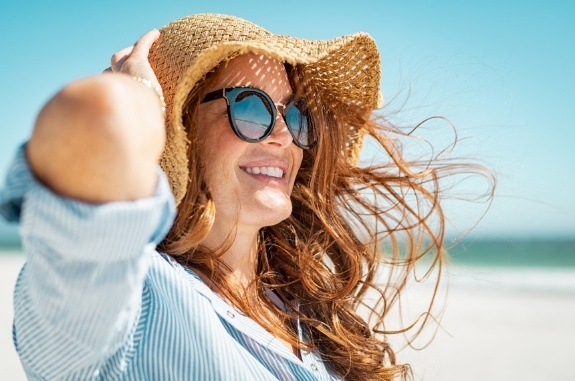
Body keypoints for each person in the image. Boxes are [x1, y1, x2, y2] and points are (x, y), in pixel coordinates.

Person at [0, 13, 487, 380]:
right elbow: (92, 115)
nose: (282, 135)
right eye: (250, 108)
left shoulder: (303, 313)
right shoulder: (128, 301)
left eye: (294, 115)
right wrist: (137, 104)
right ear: (180, 131)